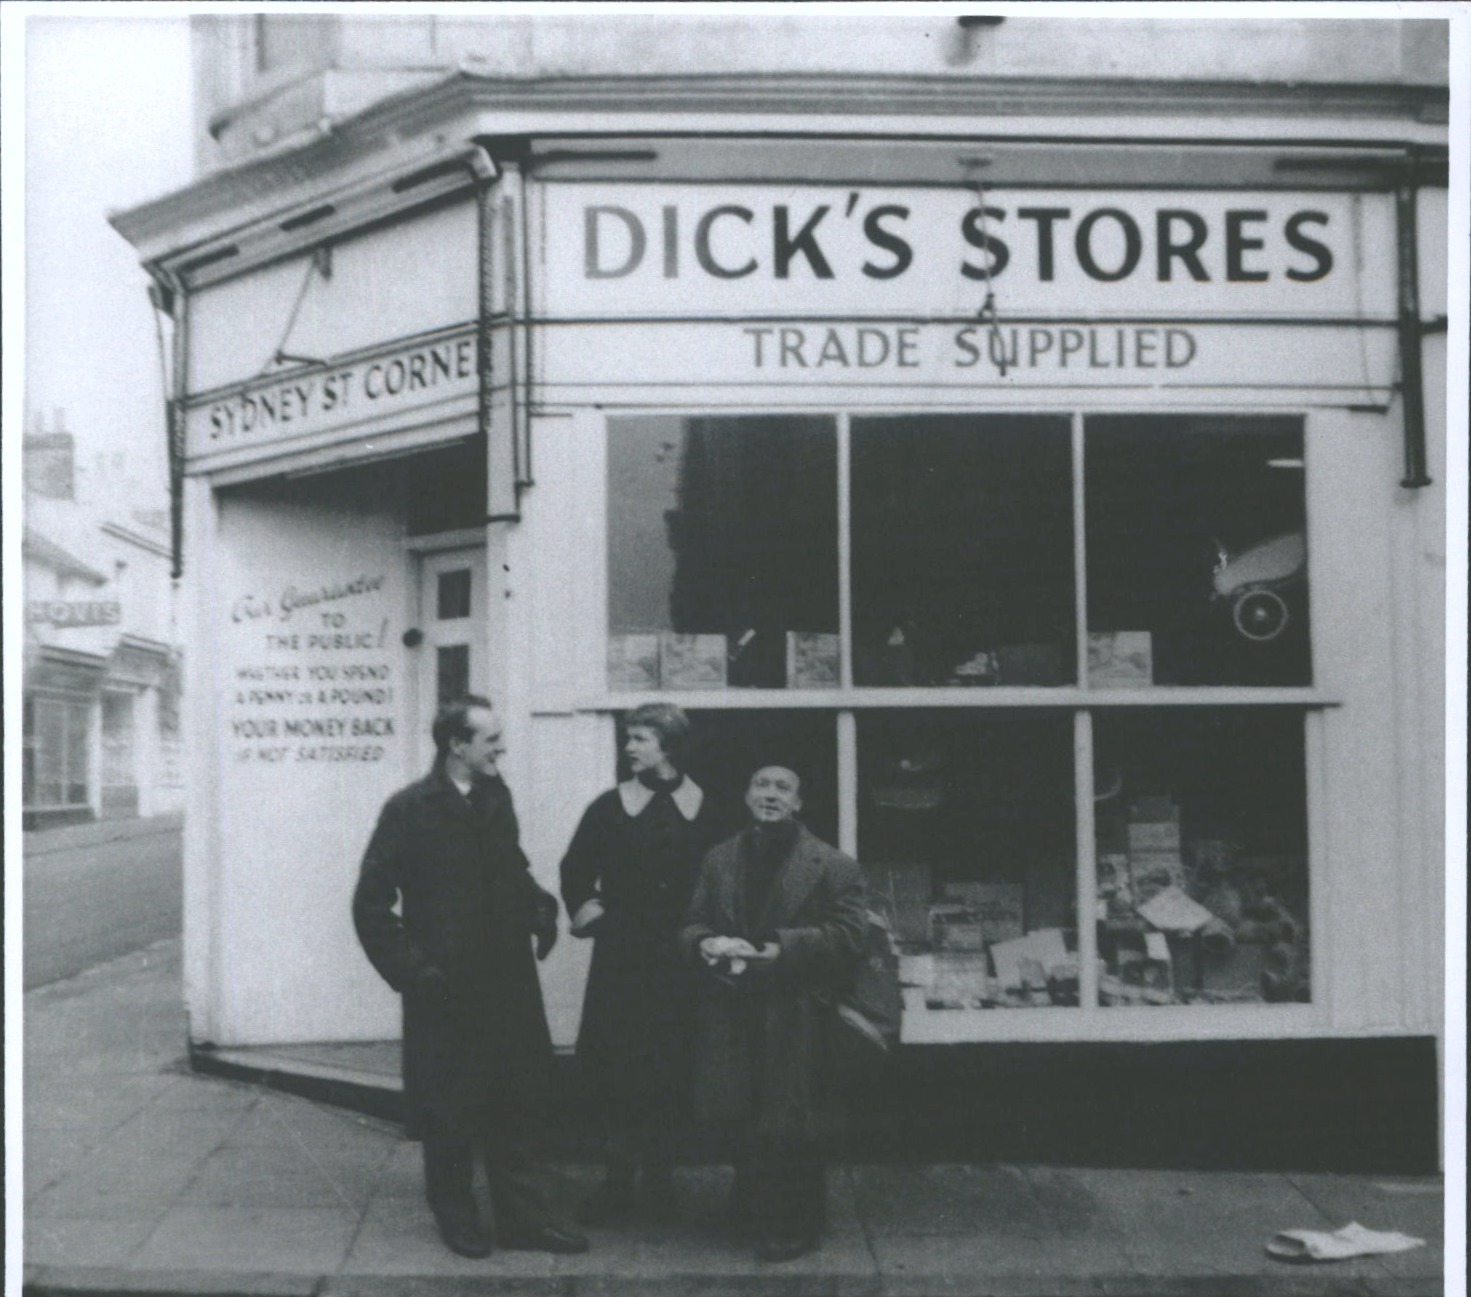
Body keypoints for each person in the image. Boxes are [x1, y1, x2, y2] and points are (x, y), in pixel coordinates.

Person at [353, 696, 589, 1259]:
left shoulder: (495, 795)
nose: (501, 748)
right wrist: (413, 971)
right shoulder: (409, 808)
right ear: (457, 745)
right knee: (450, 1105)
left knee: (516, 1098)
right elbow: (371, 904)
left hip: (507, 978)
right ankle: (456, 1215)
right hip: (446, 986)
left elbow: (510, 863)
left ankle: (523, 1219)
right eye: (491, 739)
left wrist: (539, 905)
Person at [678, 763, 867, 1263]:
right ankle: (752, 1207)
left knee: (792, 1119)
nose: (770, 794)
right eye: (761, 784)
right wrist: (706, 942)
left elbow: (851, 937)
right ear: (746, 795)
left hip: (797, 1011)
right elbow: (692, 921)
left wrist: (782, 949)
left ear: (799, 803)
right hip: (732, 1006)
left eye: (783, 788)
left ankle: (796, 1222)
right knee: (740, 1110)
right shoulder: (719, 859)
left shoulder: (832, 865)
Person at [560, 703, 725, 1222]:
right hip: (624, 961)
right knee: (620, 1065)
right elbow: (575, 870)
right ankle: (616, 1180)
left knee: (671, 1062)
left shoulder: (709, 809)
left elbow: (727, 878)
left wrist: (715, 936)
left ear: (669, 747)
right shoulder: (609, 808)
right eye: (628, 738)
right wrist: (596, 916)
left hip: (683, 959)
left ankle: (660, 1179)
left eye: (641, 738)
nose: (629, 747)